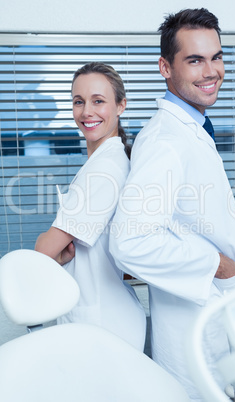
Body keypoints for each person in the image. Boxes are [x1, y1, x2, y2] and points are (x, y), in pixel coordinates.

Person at [109, 8, 235, 401]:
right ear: (165, 67)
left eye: (216, 57)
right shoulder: (165, 142)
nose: (211, 71)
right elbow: (129, 242)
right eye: (194, 60)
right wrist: (218, 265)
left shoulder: (191, 130)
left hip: (219, 317)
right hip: (195, 324)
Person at [35, 62, 146, 351]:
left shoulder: (104, 170)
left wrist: (46, 245)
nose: (87, 112)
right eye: (78, 101)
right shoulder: (106, 162)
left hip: (101, 323)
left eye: (99, 101)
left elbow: (43, 252)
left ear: (121, 105)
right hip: (101, 317)